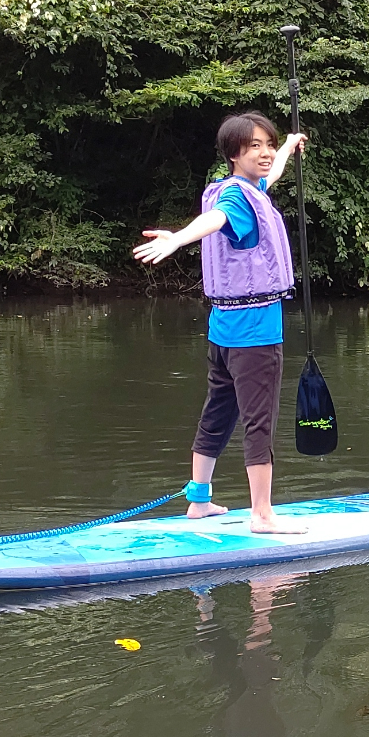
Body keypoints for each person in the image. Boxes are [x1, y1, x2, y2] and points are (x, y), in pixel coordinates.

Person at [134, 111, 307, 534]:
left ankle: (199, 501)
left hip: (222, 329)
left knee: (218, 413)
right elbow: (216, 221)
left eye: (267, 145)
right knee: (259, 421)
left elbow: (273, 172)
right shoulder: (234, 201)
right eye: (255, 148)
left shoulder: (244, 188)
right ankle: (263, 515)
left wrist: (287, 145)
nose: (264, 154)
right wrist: (177, 237)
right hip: (256, 333)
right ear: (234, 154)